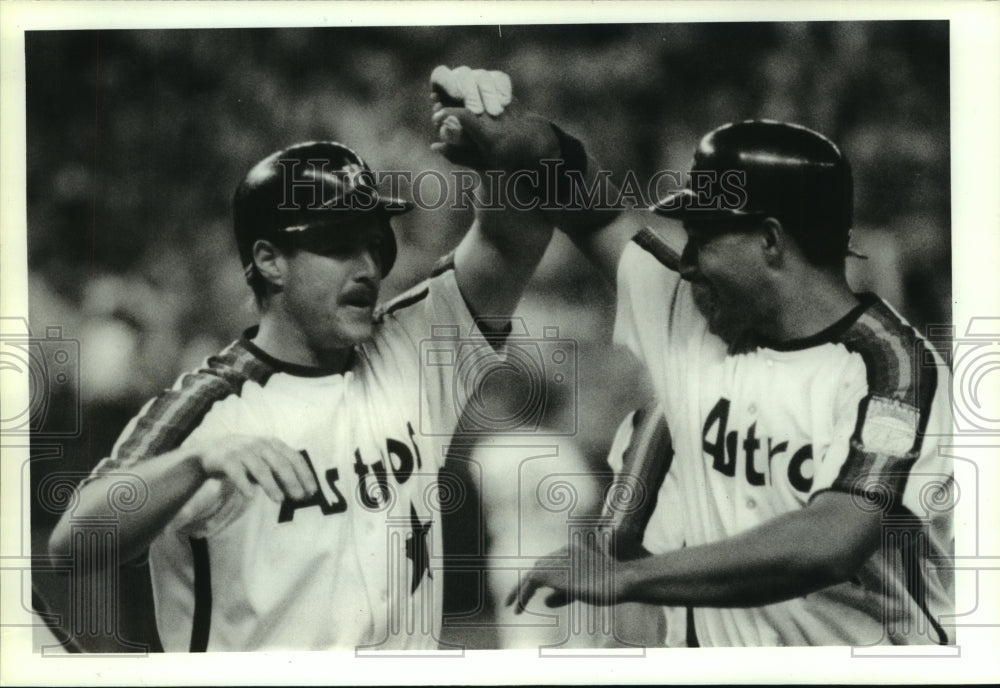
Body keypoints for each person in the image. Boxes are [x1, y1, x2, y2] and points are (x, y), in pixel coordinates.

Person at [48, 66, 558, 651]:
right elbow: (72, 544)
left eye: (374, 242)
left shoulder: (415, 349)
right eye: (339, 245)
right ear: (270, 261)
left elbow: (511, 238)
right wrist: (198, 462)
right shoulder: (212, 406)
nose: (367, 266)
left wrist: (504, 147)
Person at [445, 75, 954, 646]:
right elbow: (593, 213)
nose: (685, 263)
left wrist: (627, 577)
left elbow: (830, 542)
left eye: (702, 236)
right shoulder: (698, 314)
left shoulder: (894, 364)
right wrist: (525, 140)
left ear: (769, 240)